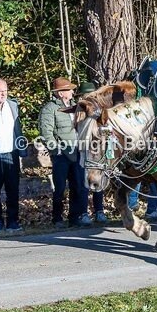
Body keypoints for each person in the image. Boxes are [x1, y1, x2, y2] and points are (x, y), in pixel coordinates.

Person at [38, 77, 89, 227]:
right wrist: (56, 150)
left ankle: (74, 217)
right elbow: (46, 132)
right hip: (61, 155)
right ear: (61, 93)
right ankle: (57, 218)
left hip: (77, 151)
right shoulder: (50, 109)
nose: (73, 91)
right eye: (70, 89)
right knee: (59, 188)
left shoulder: (77, 106)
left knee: (77, 185)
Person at [0, 78, 26, 232]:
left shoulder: (13, 105)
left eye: (5, 91)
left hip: (11, 153)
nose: (3, 94)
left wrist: (21, 151)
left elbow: (18, 129)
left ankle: (13, 221)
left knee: (13, 189)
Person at [76, 81, 107, 222]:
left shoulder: (97, 108)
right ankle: (84, 213)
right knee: (85, 183)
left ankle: (99, 211)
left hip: (97, 148)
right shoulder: (81, 109)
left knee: (98, 181)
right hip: (85, 149)